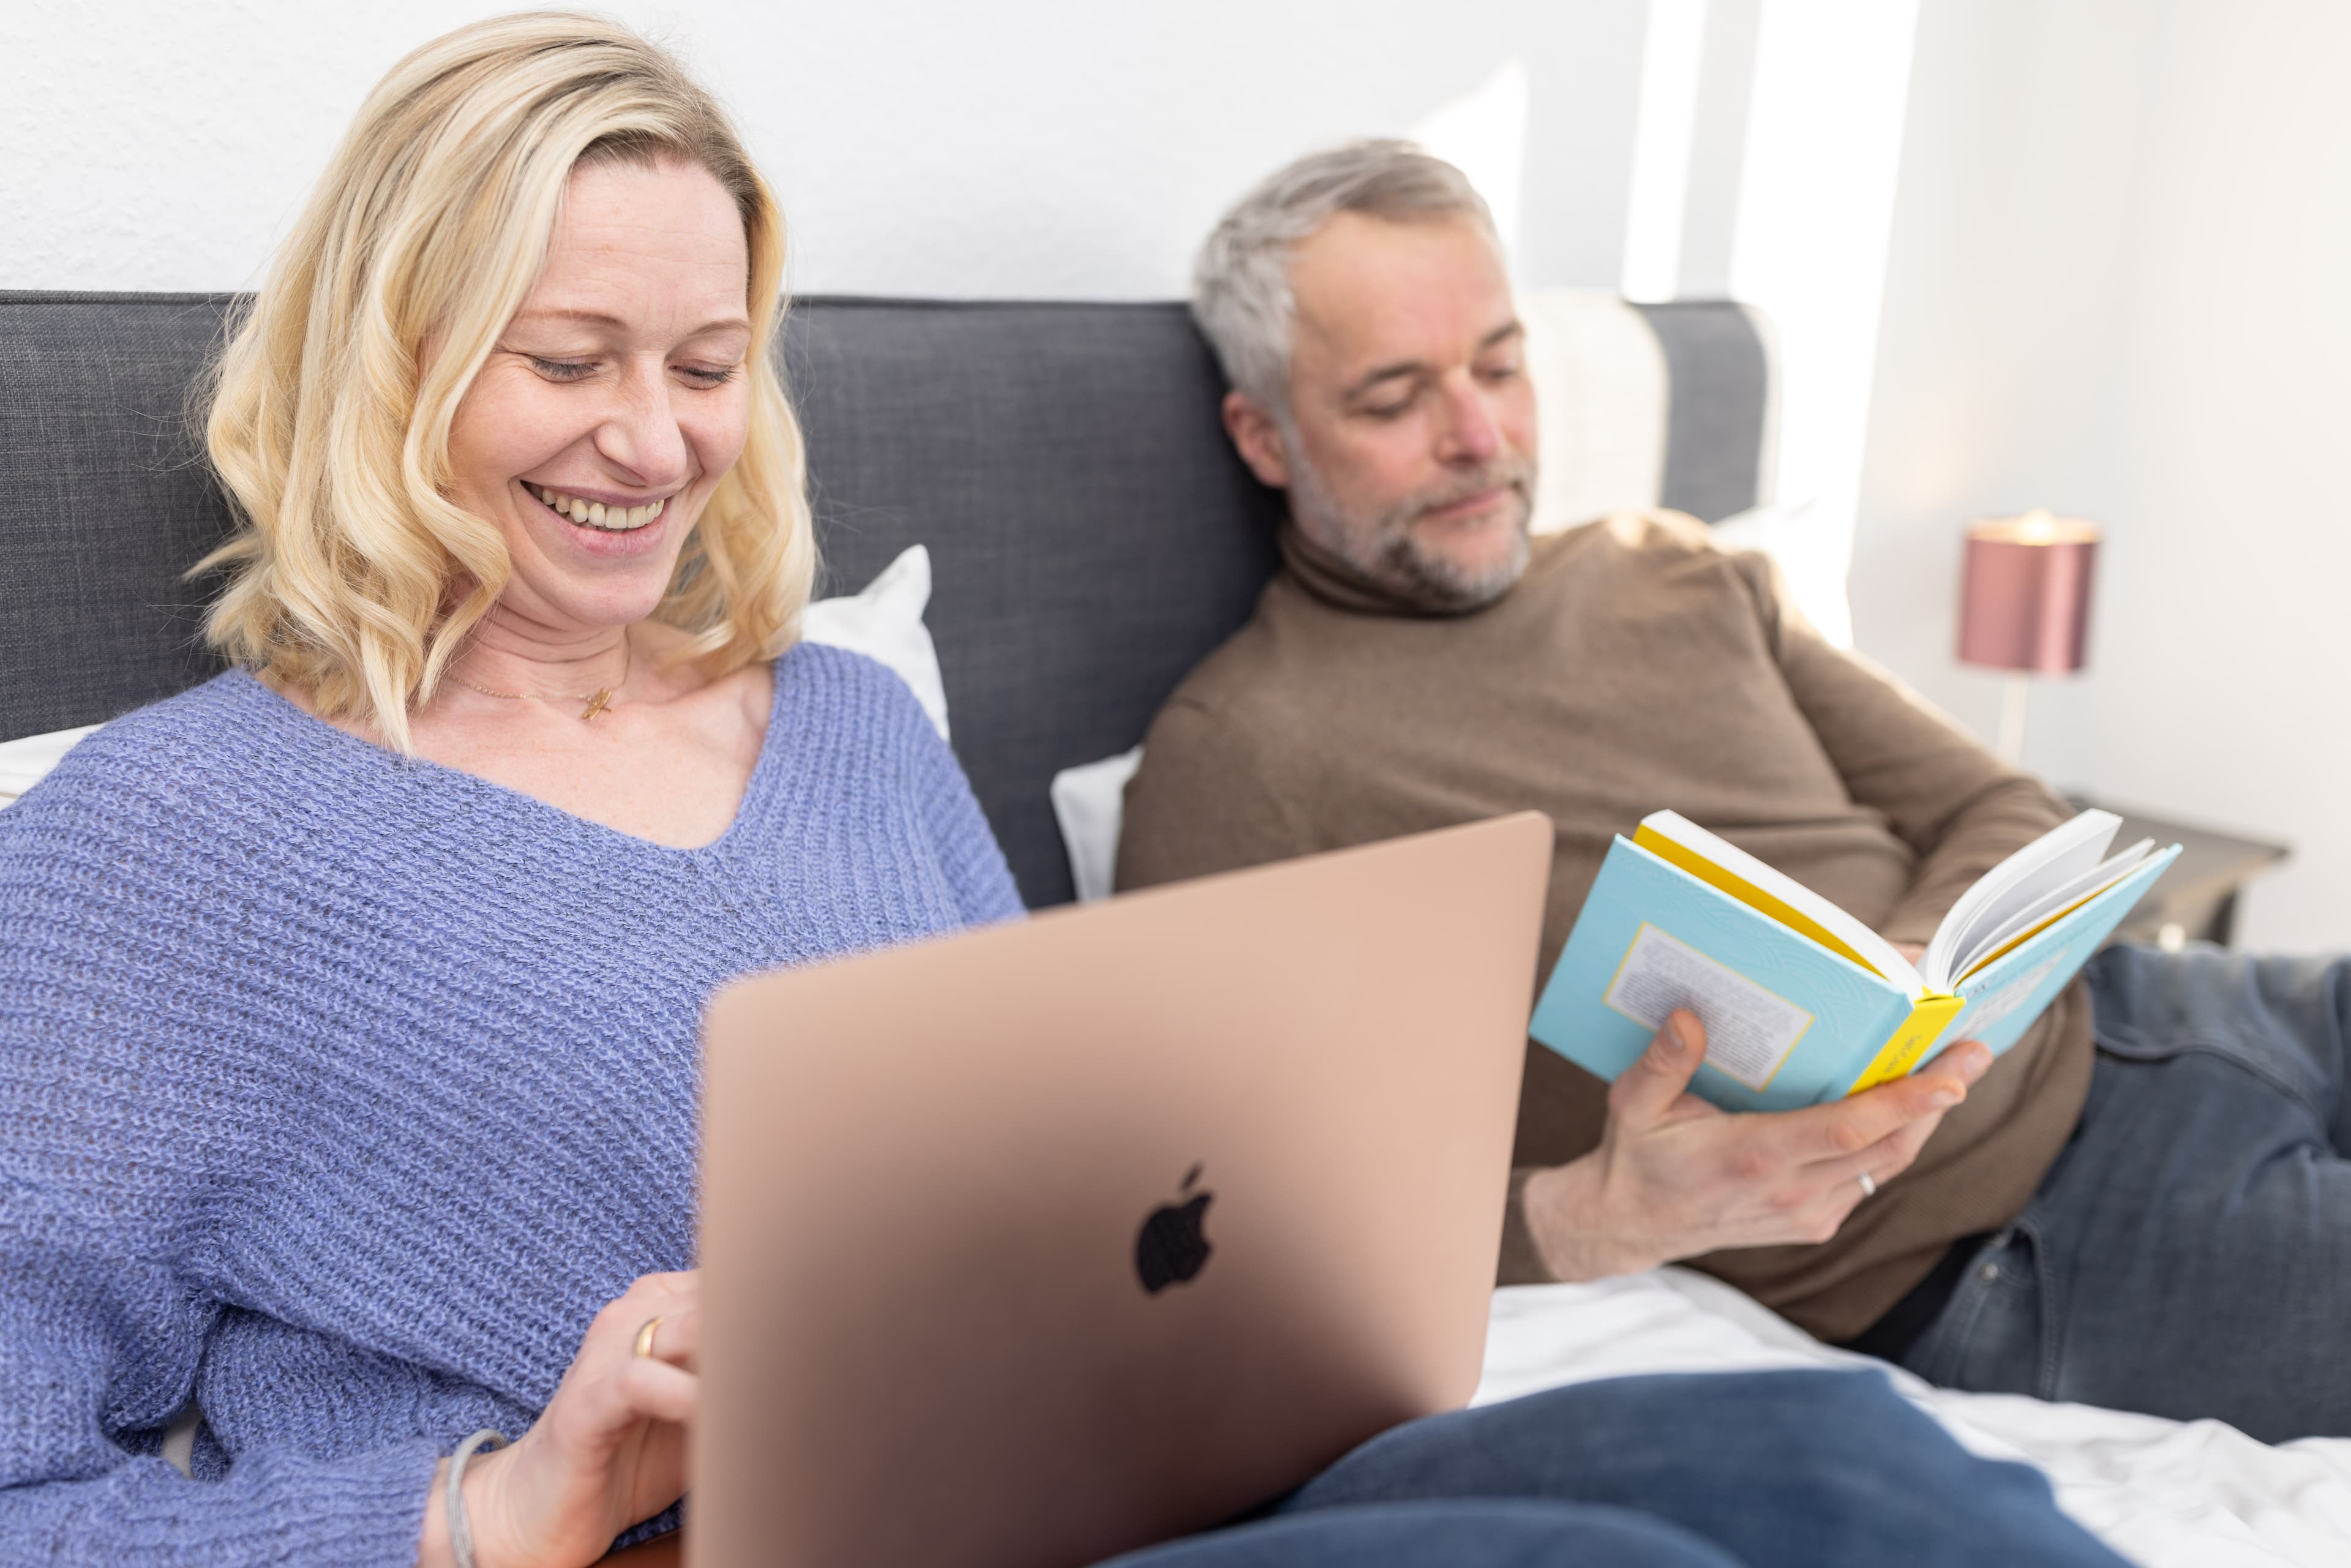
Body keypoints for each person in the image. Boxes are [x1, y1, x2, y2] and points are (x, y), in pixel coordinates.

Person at [0, 21, 2127, 1568]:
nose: (652, 442)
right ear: (390, 364)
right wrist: (490, 1509)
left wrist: (1596, 1219)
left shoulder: (843, 725)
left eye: (708, 361)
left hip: (1135, 1471)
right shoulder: (168, 845)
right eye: (569, 361)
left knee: (1875, 1478)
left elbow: (1136, 1242)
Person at [1117, 137, 2351, 1446]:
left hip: (2150, 1008)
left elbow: (2002, 807)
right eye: (1392, 399)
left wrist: (1908, 977)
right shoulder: (1243, 757)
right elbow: (1218, 1219)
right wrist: (1585, 1214)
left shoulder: (1672, 566)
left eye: (1499, 365)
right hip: (2024, 1242)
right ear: (1262, 434)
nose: (1480, 439)